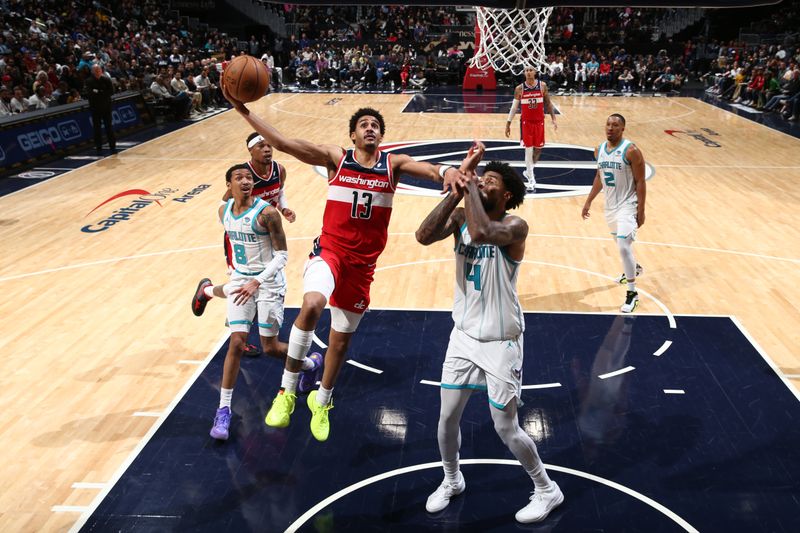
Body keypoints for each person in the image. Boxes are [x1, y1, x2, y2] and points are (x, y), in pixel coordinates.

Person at [223, 83, 471, 442]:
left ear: (381, 135)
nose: (370, 128)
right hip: (331, 251)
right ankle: (287, 392)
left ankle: (322, 401)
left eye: (375, 125)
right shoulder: (336, 158)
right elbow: (283, 143)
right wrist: (242, 109)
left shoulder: (393, 163)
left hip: (362, 265)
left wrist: (448, 171)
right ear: (352, 134)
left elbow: (432, 171)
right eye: (363, 124)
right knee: (311, 303)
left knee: (339, 343)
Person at [415, 144, 564, 523]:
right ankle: (452, 479)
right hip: (463, 336)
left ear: (507, 194)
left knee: (505, 427)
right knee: (446, 418)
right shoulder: (463, 215)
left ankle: (547, 489)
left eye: (490, 180)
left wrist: (466, 184)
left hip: (502, 341)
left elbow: (481, 232)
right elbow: (423, 234)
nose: (481, 180)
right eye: (481, 177)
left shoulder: (515, 227)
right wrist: (456, 190)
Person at [206, 163, 301, 441]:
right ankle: (223, 410)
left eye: (249, 177)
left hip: (268, 283)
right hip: (240, 281)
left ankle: (306, 363)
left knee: (270, 348)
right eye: (239, 178)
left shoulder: (268, 214)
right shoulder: (223, 211)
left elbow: (282, 256)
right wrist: (238, 275)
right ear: (229, 185)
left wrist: (257, 280)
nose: (246, 181)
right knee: (236, 342)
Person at [193, 132, 297, 357]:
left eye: (269, 145)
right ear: (251, 151)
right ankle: (238, 335)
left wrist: (283, 208)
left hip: (263, 231)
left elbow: (279, 191)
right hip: (240, 235)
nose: (267, 149)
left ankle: (208, 291)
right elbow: (223, 203)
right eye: (261, 146)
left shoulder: (279, 170)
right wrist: (232, 223)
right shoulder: (242, 175)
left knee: (253, 285)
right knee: (241, 285)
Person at [581, 114, 646, 313]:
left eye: (615, 125)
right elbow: (599, 177)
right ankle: (634, 268)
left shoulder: (631, 151)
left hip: (628, 204)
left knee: (623, 247)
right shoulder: (598, 150)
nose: (610, 128)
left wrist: (641, 210)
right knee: (620, 243)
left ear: (623, 129)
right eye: (608, 124)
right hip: (610, 207)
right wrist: (589, 201)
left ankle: (632, 294)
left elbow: (641, 181)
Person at [505, 66, 557, 191]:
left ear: (535, 72)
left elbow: (548, 103)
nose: (528, 72)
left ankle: (529, 170)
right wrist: (508, 123)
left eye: (530, 70)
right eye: (526, 70)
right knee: (528, 150)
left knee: (538, 149)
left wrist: (553, 118)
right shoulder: (519, 88)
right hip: (526, 123)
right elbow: (513, 108)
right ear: (524, 73)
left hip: (539, 122)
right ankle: (531, 179)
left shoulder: (542, 86)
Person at [85, 64, 116, 152]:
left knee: (109, 127)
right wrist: (103, 92)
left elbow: (111, 91)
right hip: (95, 108)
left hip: (106, 107)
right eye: (96, 70)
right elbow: (90, 94)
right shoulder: (89, 81)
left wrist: (99, 92)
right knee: (97, 128)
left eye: (99, 70)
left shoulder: (106, 79)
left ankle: (112, 146)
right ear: (93, 72)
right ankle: (99, 146)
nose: (98, 72)